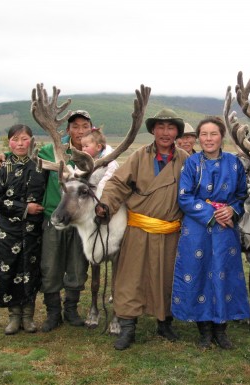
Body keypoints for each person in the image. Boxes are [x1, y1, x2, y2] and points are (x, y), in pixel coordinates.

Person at [95, 108, 189, 350]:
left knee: (167, 279)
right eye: (160, 127)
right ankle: (128, 328)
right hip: (138, 230)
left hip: (170, 233)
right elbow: (117, 184)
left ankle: (165, 323)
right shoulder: (138, 156)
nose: (165, 132)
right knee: (131, 279)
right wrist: (106, 204)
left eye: (170, 128)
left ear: (177, 132)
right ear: (153, 130)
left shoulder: (186, 160)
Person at [0, 110, 94, 332]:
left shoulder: (96, 153)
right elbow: (24, 157)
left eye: (84, 126)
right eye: (75, 126)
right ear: (67, 130)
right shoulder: (50, 151)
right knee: (50, 266)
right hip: (53, 218)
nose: (79, 130)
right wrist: (3, 156)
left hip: (81, 222)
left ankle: (71, 310)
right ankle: (53, 313)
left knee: (77, 266)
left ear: (91, 129)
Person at [171, 116, 250, 349]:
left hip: (226, 230)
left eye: (213, 134)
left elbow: (242, 195)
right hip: (197, 228)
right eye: (203, 134)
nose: (208, 139)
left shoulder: (234, 163)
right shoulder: (192, 163)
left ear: (221, 136)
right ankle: (204, 330)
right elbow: (184, 196)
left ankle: (221, 329)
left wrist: (232, 211)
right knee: (199, 272)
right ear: (198, 138)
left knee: (224, 272)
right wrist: (212, 213)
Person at [0, 125, 46, 334]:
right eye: (15, 139)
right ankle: (13, 316)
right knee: (7, 271)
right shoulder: (2, 166)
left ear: (32, 141)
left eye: (25, 139)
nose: (20, 143)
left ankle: (28, 317)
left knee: (29, 272)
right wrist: (25, 208)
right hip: (6, 232)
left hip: (32, 232)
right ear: (9, 142)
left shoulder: (41, 165)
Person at [80, 128, 118, 192]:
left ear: (98, 147)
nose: (83, 149)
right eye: (82, 146)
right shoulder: (84, 161)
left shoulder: (110, 163)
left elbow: (107, 182)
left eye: (86, 146)